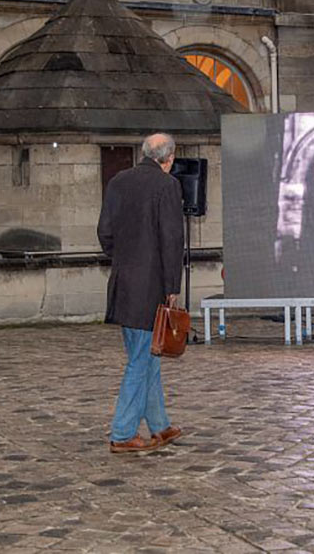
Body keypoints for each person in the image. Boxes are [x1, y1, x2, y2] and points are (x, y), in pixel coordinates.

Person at [97, 133, 185, 453]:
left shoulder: (119, 181)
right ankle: (122, 433)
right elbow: (171, 240)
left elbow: (104, 233)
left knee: (149, 357)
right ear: (170, 158)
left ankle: (159, 426)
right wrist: (172, 287)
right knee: (140, 359)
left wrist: (124, 259)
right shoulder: (167, 186)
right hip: (151, 286)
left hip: (123, 283)